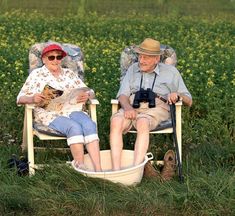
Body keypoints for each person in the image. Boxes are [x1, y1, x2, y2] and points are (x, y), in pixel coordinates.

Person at [110, 38, 192, 171]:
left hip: (157, 106)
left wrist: (177, 95)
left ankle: (136, 171)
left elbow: (189, 100)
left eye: (146, 57)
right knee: (116, 122)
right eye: (140, 56)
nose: (141, 60)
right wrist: (127, 107)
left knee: (142, 122)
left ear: (157, 59)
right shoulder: (133, 69)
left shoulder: (171, 72)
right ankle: (116, 170)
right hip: (133, 104)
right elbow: (123, 95)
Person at [17, 43, 102, 171]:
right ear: (44, 59)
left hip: (73, 109)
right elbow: (20, 98)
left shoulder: (69, 74)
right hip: (51, 114)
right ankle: (81, 169)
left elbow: (89, 91)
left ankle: (99, 169)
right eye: (51, 58)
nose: (56, 60)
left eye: (59, 57)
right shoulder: (36, 75)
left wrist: (88, 95)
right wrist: (32, 99)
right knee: (74, 127)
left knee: (90, 125)